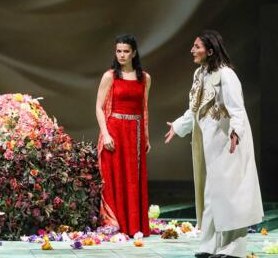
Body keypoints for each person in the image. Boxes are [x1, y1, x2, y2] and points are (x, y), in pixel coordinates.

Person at [165, 30, 263, 258]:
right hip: (211, 143)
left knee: (230, 195)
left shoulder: (226, 75)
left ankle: (233, 248)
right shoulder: (199, 74)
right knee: (211, 193)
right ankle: (209, 244)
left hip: (228, 141)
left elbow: (237, 108)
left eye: (197, 47)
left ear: (210, 51)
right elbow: (195, 109)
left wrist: (236, 132)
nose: (192, 50)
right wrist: (178, 126)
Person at [96, 34, 151, 236]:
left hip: (135, 133)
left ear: (133, 53)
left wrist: (146, 136)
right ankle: (115, 223)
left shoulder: (144, 78)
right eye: (118, 51)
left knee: (132, 179)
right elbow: (99, 107)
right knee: (115, 179)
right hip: (115, 132)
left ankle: (133, 224)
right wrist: (106, 134)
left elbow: (144, 109)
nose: (121, 55)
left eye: (126, 51)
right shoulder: (110, 76)